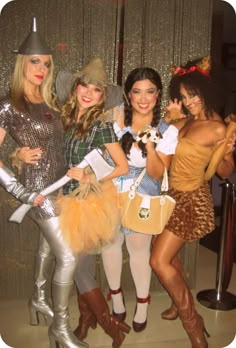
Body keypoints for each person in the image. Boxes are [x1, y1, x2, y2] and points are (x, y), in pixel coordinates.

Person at [0, 17, 89, 348]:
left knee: (48, 248)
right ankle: (60, 329)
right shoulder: (9, 104)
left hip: (61, 185)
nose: (41, 67)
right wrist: (20, 188)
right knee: (68, 256)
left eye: (46, 63)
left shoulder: (49, 100)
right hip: (38, 190)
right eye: (35, 61)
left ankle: (38, 299)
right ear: (22, 62)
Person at [150, 57, 235, 348]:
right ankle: (178, 303)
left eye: (193, 96)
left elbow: (224, 172)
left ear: (207, 92)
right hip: (170, 195)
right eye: (184, 97)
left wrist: (226, 151)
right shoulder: (183, 121)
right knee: (167, 257)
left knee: (158, 261)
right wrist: (171, 119)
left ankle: (193, 324)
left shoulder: (218, 129)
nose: (189, 102)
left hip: (191, 200)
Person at [56, 57, 131, 348]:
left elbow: (122, 167)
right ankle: (88, 318)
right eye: (84, 86)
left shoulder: (102, 126)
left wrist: (89, 177)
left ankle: (110, 326)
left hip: (90, 202)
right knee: (79, 267)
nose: (88, 92)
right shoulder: (68, 119)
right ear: (76, 88)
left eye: (96, 90)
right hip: (69, 199)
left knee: (77, 267)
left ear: (102, 97)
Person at [100, 67, 179, 333]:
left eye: (150, 92)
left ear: (158, 95)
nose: (143, 99)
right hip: (111, 189)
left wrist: (150, 147)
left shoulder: (166, 130)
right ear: (128, 93)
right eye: (137, 91)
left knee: (138, 250)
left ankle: (142, 303)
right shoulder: (113, 118)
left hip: (144, 191)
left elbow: (158, 174)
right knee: (109, 245)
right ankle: (117, 299)